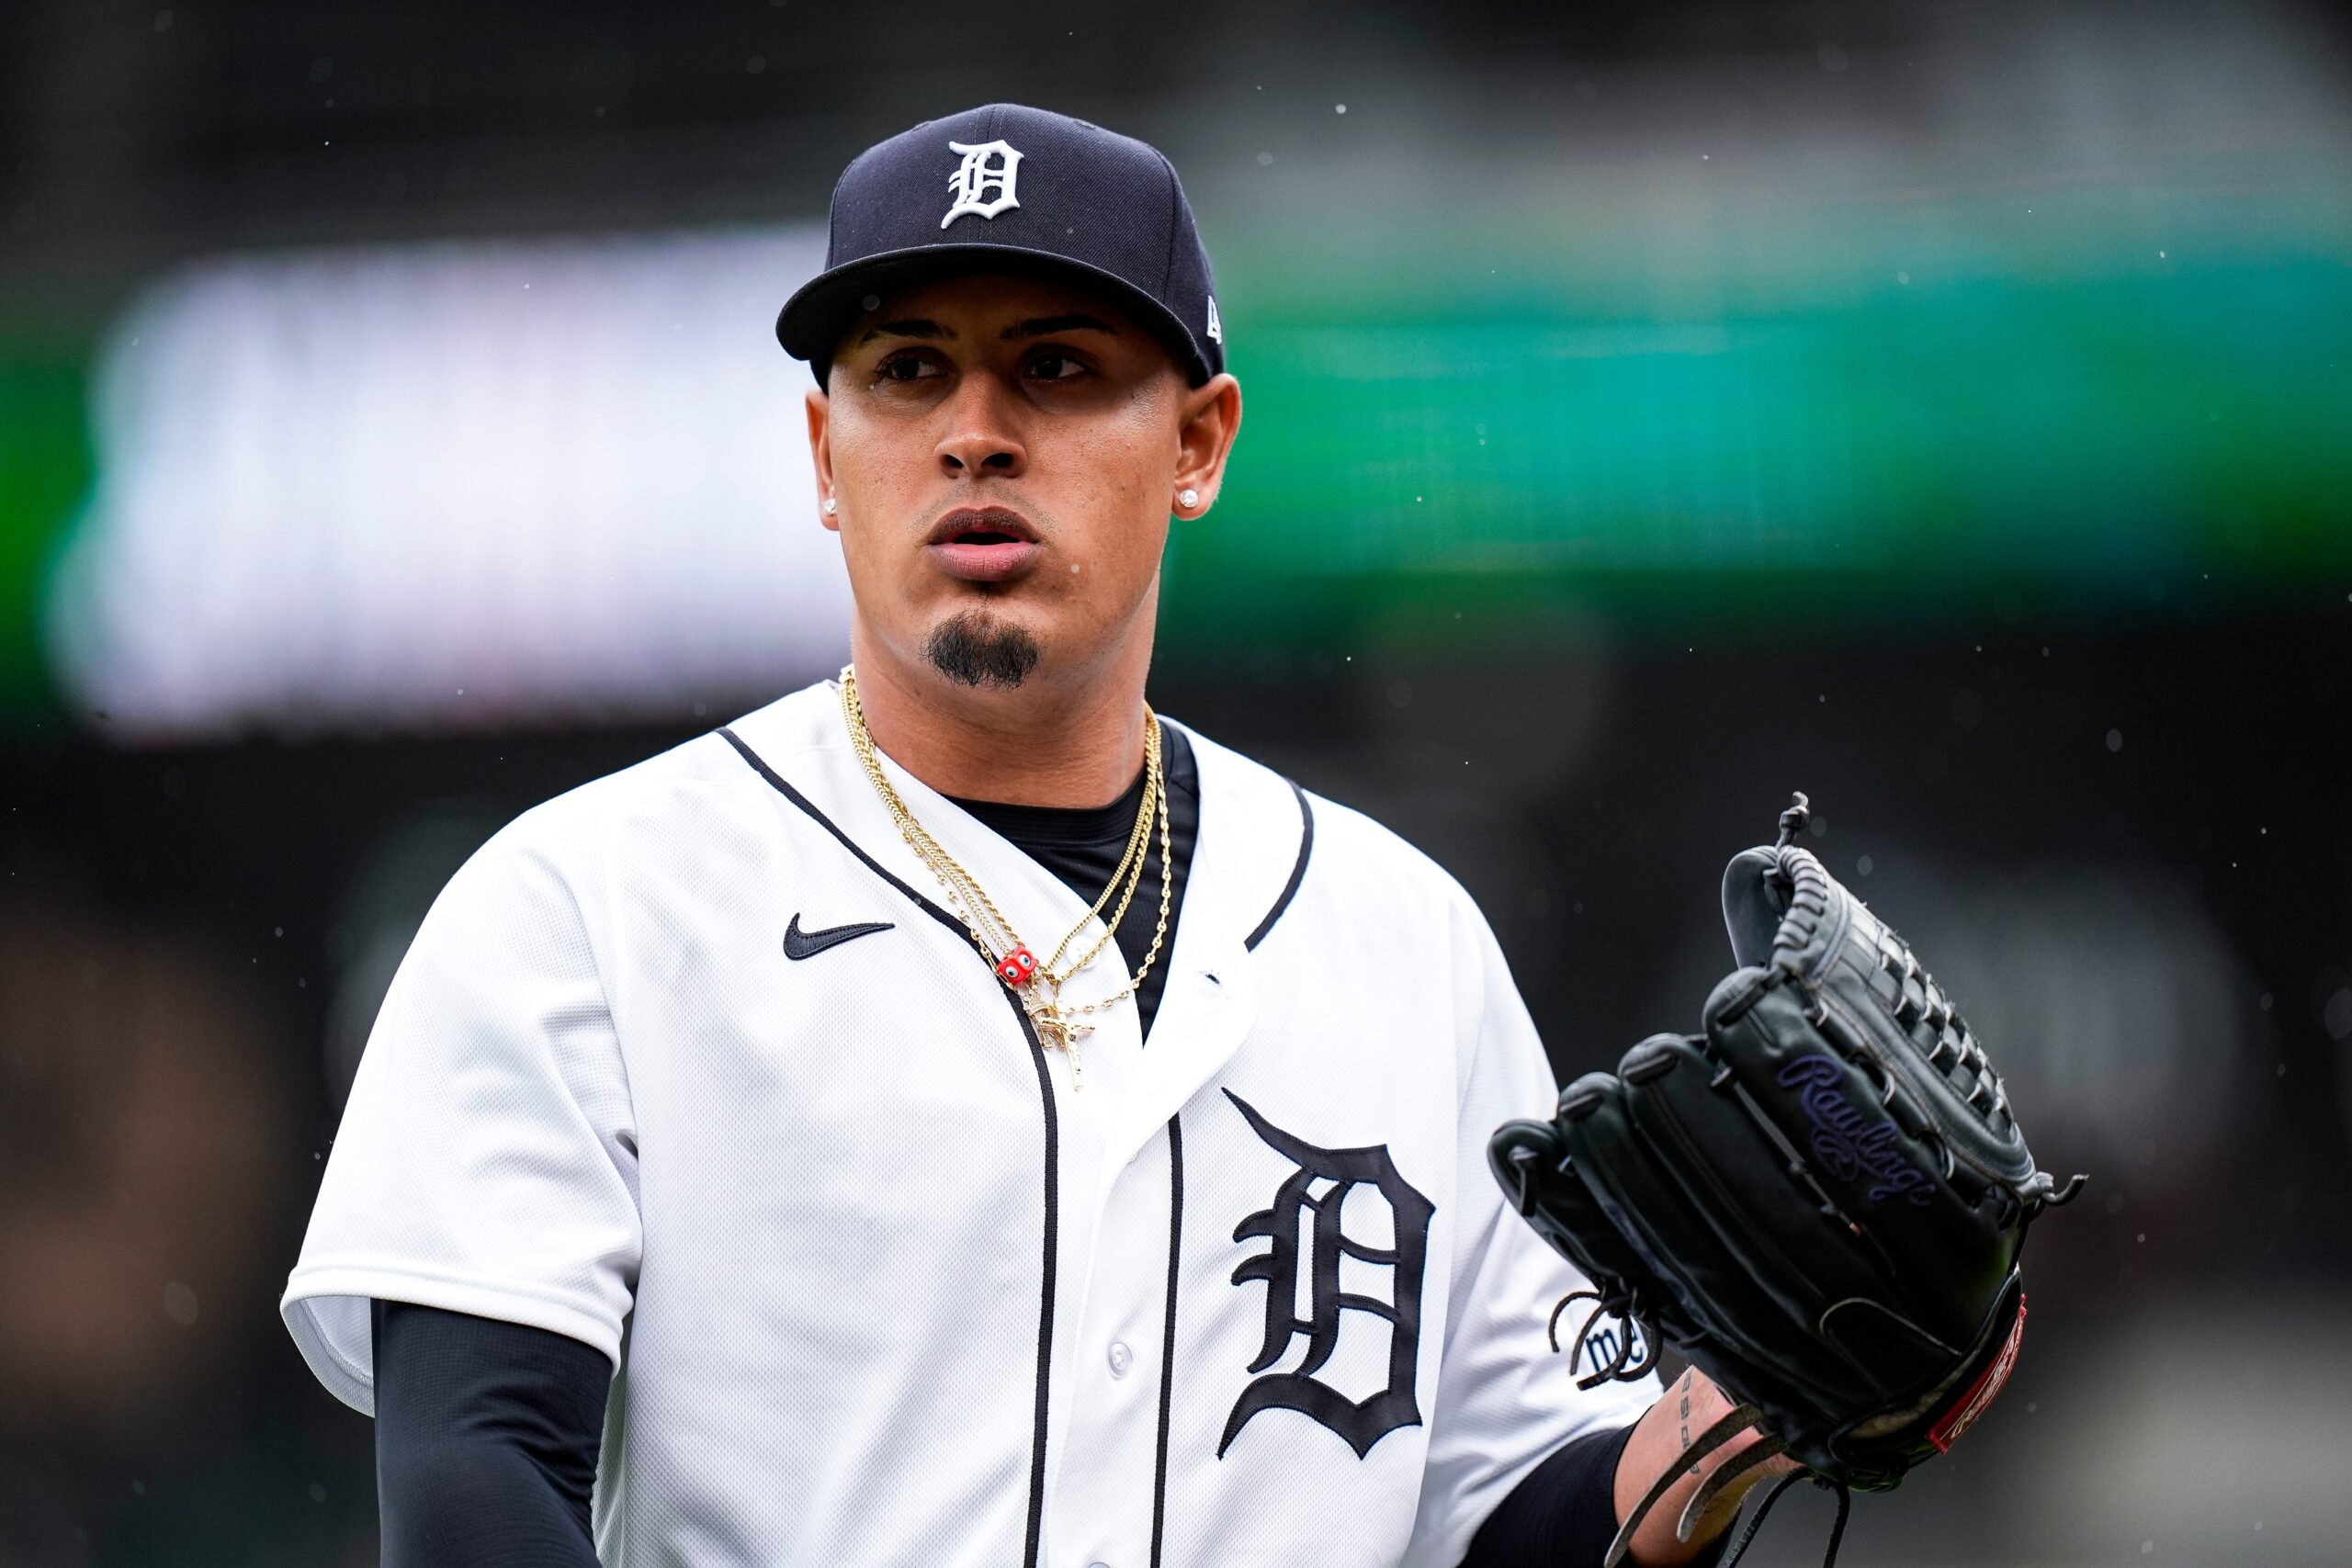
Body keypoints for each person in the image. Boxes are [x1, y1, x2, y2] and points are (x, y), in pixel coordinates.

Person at [282, 102, 1784, 1567]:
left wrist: (1746, 1414)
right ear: (824, 450)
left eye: (1055, 369)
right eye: (909, 371)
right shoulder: (582, 910)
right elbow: (477, 1487)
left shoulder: (1405, 944)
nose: (973, 437)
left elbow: (1510, 1516)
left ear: (1199, 442)